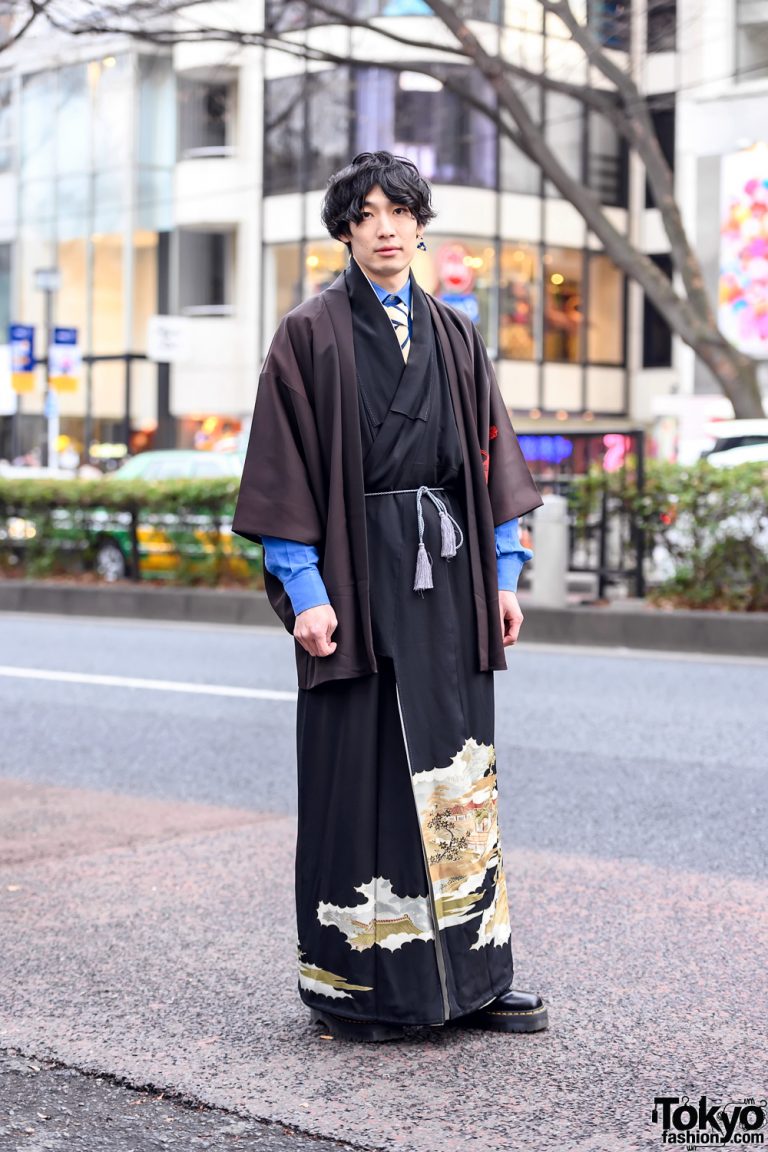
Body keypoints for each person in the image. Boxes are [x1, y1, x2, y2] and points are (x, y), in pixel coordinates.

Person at [233, 151, 547, 1043]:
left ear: (420, 225)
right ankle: (360, 986)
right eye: (366, 213)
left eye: (401, 211)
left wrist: (504, 574)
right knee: (358, 770)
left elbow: (488, 457)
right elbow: (284, 474)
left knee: (459, 767)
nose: (386, 227)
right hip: (356, 582)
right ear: (344, 229)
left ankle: (477, 977)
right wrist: (306, 592)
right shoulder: (309, 334)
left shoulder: (453, 334)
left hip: (447, 579)